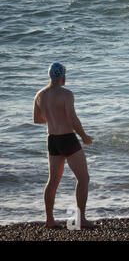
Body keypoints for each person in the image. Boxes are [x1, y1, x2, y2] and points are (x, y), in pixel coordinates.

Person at [33, 63, 94, 229]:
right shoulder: (66, 94)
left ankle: (50, 220)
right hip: (67, 139)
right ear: (63, 76)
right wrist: (84, 136)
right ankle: (81, 220)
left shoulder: (39, 95)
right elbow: (72, 118)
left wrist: (53, 118)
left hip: (52, 140)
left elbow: (37, 119)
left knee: (52, 181)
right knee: (83, 178)